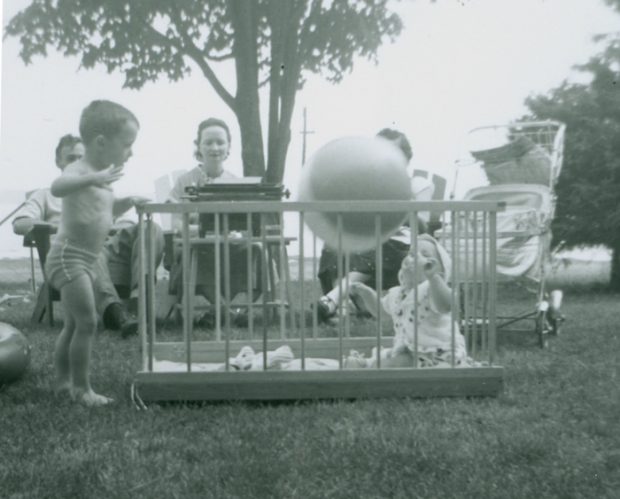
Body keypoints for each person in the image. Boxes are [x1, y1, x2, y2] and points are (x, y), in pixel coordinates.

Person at [44, 100, 146, 406]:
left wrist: (126, 200)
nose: (131, 152)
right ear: (101, 143)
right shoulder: (81, 170)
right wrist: (93, 178)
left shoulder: (103, 175)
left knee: (74, 325)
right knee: (88, 323)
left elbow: (104, 210)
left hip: (85, 260)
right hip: (68, 257)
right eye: (127, 145)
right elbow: (58, 186)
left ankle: (63, 383)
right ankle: (82, 389)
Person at [12, 134, 164, 336]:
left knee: (151, 228)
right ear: (59, 162)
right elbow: (20, 224)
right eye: (71, 158)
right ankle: (114, 312)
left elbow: (126, 222)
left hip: (108, 252)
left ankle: (139, 303)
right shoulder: (46, 195)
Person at [315, 128, 434, 322]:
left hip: (403, 246)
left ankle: (334, 301)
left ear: (405, 156)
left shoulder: (418, 184)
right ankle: (342, 306)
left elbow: (422, 224)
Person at [167, 117, 255, 323]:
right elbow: (177, 223)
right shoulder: (184, 181)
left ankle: (225, 312)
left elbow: (243, 224)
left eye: (220, 142)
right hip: (198, 247)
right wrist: (203, 230)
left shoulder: (236, 182)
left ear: (229, 147)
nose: (215, 148)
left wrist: (235, 232)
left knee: (258, 251)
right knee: (199, 253)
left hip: (229, 247)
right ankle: (228, 313)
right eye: (208, 142)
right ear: (198, 146)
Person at [345, 234, 467, 368]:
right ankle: (368, 364)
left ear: (440, 273)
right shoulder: (397, 293)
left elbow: (446, 306)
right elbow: (381, 312)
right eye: (412, 253)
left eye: (425, 256)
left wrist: (433, 278)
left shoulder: (430, 289)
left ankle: (370, 368)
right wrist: (367, 293)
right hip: (410, 351)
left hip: (438, 355)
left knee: (393, 363)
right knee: (392, 359)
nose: (415, 258)